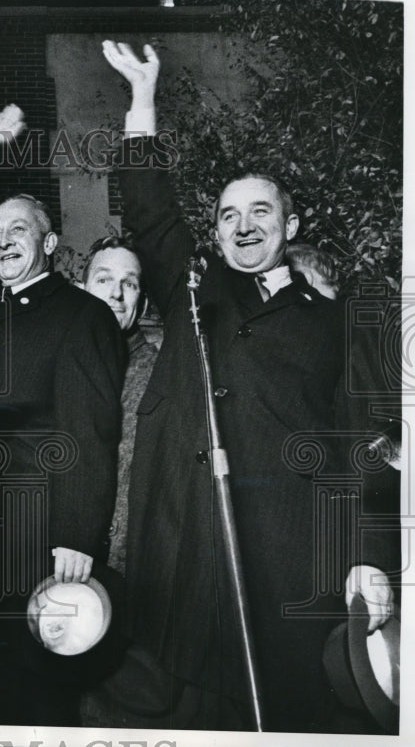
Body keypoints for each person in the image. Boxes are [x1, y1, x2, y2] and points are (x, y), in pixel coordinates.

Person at [101, 40, 399, 732]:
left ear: (290, 226)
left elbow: (361, 448)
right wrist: (141, 102)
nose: (243, 226)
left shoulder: (334, 323)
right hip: (185, 542)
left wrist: (369, 561)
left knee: (288, 711)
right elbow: (149, 212)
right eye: (229, 215)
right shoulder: (194, 291)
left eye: (261, 212)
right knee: (182, 705)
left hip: (286, 556)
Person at [0, 109, 127, 726]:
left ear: (48, 244)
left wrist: (77, 534)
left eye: (18, 230)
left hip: (43, 531)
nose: (1, 241)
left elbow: (91, 430)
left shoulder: (83, 316)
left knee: (38, 681)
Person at [78, 235, 159, 576]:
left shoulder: (156, 375)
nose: (115, 293)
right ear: (81, 291)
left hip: (125, 568)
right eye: (104, 279)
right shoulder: (66, 362)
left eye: (129, 283)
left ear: (141, 304)